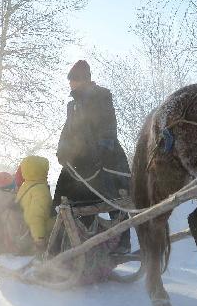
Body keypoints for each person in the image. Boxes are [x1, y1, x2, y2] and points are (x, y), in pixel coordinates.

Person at [54, 60, 131, 253]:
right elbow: (67, 132)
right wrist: (62, 151)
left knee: (112, 196)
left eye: (72, 80)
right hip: (79, 158)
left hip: (104, 156)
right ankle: (75, 239)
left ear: (81, 80)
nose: (70, 84)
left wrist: (104, 147)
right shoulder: (72, 106)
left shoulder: (100, 96)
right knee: (69, 196)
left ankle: (122, 241)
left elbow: (107, 124)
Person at [16, 155, 56, 254]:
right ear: (41, 170)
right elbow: (35, 216)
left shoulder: (26, 185)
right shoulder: (40, 189)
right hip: (39, 234)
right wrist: (40, 239)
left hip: (24, 231)